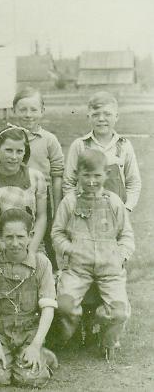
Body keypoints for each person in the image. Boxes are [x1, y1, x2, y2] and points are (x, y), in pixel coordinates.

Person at [53, 149, 134, 360]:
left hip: (110, 269)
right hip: (78, 269)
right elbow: (58, 232)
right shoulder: (69, 202)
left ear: (106, 174)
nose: (91, 181)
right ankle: (68, 338)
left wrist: (121, 256)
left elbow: (126, 235)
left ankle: (106, 341)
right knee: (65, 306)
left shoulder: (114, 201)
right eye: (86, 175)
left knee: (119, 311)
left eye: (97, 175)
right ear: (78, 175)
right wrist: (70, 250)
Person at [0, 209, 58, 387]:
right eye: (9, 237)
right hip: (1, 334)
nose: (15, 243)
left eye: (20, 237)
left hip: (29, 334)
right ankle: (8, 358)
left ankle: (42, 355)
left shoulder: (42, 263)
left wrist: (36, 346)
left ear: (30, 236)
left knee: (30, 379)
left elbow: (48, 307)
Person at [11, 86, 64, 267]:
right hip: (13, 194)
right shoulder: (7, 137)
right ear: (14, 111)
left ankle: (52, 272)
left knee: (46, 235)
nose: (28, 114)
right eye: (23, 109)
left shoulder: (49, 139)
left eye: (33, 109)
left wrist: (57, 207)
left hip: (42, 196)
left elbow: (57, 174)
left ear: (42, 111)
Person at [62, 91, 141, 212]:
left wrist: (127, 208)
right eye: (95, 115)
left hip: (117, 213)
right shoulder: (79, 145)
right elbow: (68, 182)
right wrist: (76, 208)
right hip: (85, 214)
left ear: (116, 116)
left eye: (107, 114)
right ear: (88, 117)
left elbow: (133, 182)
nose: (101, 119)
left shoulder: (125, 145)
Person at [0, 127, 48, 255]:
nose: (14, 157)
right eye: (9, 150)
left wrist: (31, 250)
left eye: (19, 151)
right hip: (0, 245)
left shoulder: (36, 177)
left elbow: (41, 216)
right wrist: (4, 249)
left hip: (31, 244)